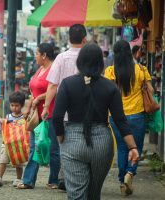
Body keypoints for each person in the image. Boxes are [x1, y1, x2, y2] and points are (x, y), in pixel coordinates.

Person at [52, 43, 139, 200]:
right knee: (94, 193)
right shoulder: (110, 87)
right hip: (102, 145)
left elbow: (57, 116)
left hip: (72, 142)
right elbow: (120, 120)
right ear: (101, 62)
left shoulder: (67, 84)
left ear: (80, 61)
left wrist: (61, 138)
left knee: (76, 194)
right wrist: (132, 147)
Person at [41, 24, 87, 190]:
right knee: (82, 145)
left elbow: (53, 85)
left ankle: (64, 177)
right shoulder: (89, 57)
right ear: (84, 39)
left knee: (63, 145)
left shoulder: (61, 58)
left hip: (64, 111)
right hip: (85, 111)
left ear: (69, 39)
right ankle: (75, 178)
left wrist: (46, 107)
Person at [105, 40, 153, 196]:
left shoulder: (110, 71)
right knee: (135, 148)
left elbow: (106, 93)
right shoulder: (140, 69)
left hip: (116, 117)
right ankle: (130, 173)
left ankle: (121, 180)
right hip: (137, 115)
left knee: (122, 148)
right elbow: (150, 90)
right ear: (129, 53)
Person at [17, 43, 60, 189]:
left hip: (51, 113)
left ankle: (54, 180)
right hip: (37, 115)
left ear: (44, 56)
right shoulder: (40, 69)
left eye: (37, 53)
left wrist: (40, 99)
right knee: (34, 147)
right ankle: (28, 180)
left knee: (53, 148)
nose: (34, 56)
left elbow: (55, 88)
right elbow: (32, 91)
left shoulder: (54, 69)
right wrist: (28, 108)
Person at [0, 91, 26, 187]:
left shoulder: (24, 117)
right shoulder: (8, 117)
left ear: (22, 105)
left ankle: (18, 178)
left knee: (18, 163)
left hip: (18, 145)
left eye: (17, 105)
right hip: (7, 143)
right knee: (3, 160)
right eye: (12, 105)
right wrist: (3, 122)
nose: (14, 107)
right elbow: (4, 129)